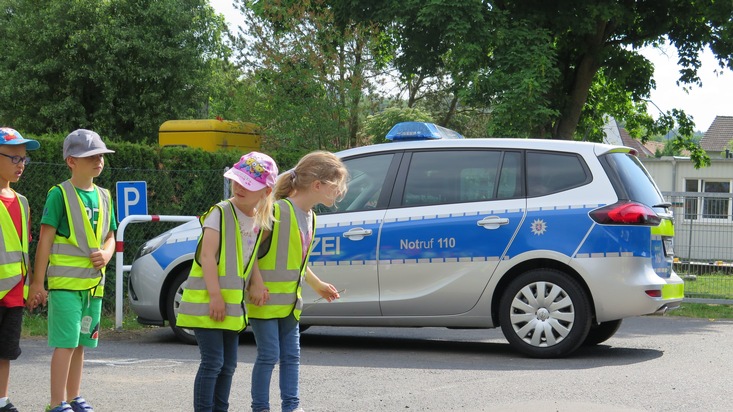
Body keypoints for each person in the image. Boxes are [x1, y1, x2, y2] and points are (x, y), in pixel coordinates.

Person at [176, 152, 278, 412]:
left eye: (249, 184)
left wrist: (257, 282)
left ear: (265, 192)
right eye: (238, 180)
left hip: (231, 308)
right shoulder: (220, 212)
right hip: (208, 304)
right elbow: (208, 257)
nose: (240, 187)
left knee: (228, 365)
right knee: (213, 362)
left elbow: (249, 255)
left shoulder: (257, 220)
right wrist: (215, 297)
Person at [247, 150, 348, 412]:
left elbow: (296, 261)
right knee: (269, 356)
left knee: (291, 357)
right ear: (318, 185)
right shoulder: (278, 210)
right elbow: (249, 251)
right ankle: (260, 408)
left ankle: (291, 407)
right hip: (265, 302)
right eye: (336, 186)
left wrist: (317, 285)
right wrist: (256, 284)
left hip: (291, 304)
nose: (340, 192)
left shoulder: (312, 217)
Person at [28, 129, 117, 412]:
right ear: (71, 161)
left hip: (93, 287)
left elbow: (111, 236)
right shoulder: (59, 194)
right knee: (65, 344)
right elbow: (45, 240)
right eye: (90, 156)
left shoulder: (104, 195)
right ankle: (56, 403)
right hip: (65, 286)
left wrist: (106, 253)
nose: (98, 160)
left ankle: (74, 397)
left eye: (100, 155)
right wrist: (37, 284)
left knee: (80, 345)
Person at [0, 128, 40, 412]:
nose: (21, 164)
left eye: (24, 159)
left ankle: (2, 400)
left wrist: (31, 287)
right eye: (14, 158)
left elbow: (23, 250)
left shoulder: (23, 202)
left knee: (6, 352)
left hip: (14, 293)